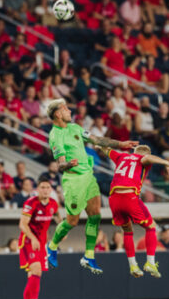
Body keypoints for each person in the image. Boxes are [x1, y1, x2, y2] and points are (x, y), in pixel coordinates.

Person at [44, 99, 136, 274]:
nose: (70, 112)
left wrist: (120, 144)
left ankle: (89, 256)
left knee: (95, 216)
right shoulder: (55, 135)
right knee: (72, 221)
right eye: (66, 109)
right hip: (74, 181)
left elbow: (97, 139)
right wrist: (69, 164)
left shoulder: (76, 128)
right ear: (58, 114)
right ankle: (52, 247)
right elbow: (60, 165)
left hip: (88, 177)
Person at [106, 145, 169, 277]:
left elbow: (106, 148)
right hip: (129, 196)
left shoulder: (122, 156)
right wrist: (167, 162)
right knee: (151, 227)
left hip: (114, 199)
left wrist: (96, 141)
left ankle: (133, 265)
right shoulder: (141, 159)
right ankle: (150, 262)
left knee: (127, 231)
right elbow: (148, 158)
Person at [17, 178, 60, 299]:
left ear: (51, 189)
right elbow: (22, 224)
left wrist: (62, 231)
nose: (45, 190)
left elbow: (58, 219)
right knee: (37, 270)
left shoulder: (54, 204)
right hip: (28, 241)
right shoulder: (31, 203)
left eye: (48, 187)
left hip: (42, 244)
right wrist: (33, 238)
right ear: (37, 189)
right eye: (42, 187)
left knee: (33, 276)